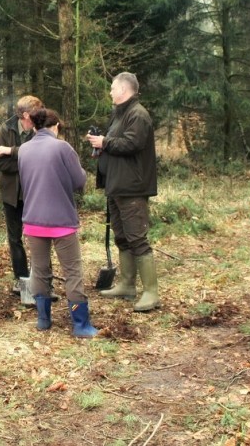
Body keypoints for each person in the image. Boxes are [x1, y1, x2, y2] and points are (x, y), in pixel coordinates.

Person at [18, 108, 97, 338]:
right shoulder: (62, 147)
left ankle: (43, 320)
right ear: (55, 126)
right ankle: (80, 324)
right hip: (61, 220)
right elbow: (79, 180)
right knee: (72, 271)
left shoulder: (23, 149)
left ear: (35, 126)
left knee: (39, 271)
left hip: (32, 220)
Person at [86, 72, 159, 312]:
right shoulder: (119, 113)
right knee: (122, 236)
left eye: (112, 88)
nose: (110, 92)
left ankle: (151, 292)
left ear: (124, 90)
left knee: (137, 238)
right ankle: (127, 284)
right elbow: (116, 143)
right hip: (116, 186)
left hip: (132, 188)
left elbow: (132, 144)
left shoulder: (138, 114)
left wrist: (104, 142)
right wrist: (101, 143)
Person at [0, 95, 43, 295]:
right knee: (15, 239)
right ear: (25, 116)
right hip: (12, 194)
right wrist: (26, 160)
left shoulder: (41, 127)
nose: (39, 117)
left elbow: (42, 156)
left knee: (39, 237)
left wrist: (12, 151)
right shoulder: (6, 129)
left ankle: (40, 279)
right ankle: (21, 280)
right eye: (35, 114)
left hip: (35, 193)